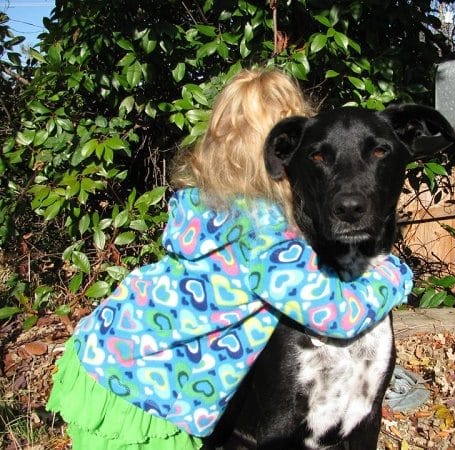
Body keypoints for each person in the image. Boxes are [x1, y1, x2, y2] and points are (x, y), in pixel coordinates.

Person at [46, 68, 414, 450]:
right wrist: (393, 274)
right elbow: (334, 315)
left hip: (106, 350)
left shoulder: (204, 209)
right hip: (144, 390)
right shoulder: (262, 239)